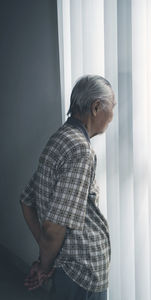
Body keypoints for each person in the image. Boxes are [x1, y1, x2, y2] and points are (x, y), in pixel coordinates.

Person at [19, 74, 116, 300]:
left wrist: (46, 256)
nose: (112, 116)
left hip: (66, 267)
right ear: (96, 107)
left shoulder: (59, 138)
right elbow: (54, 227)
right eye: (112, 107)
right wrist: (45, 264)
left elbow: (26, 200)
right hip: (82, 270)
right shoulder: (81, 150)